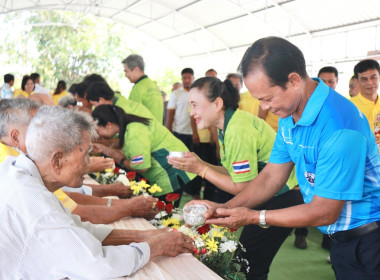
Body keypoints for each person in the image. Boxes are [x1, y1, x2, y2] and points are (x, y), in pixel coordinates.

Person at [188, 37, 380, 280]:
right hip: (341, 239)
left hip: (367, 240)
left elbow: (325, 212)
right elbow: (270, 176)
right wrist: (225, 208)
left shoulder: (339, 127)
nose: (265, 108)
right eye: (259, 100)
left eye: (268, 98)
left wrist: (254, 216)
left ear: (293, 80)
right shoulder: (289, 117)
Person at [0, 105, 194, 279]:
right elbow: (99, 266)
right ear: (57, 160)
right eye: (85, 154)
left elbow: (80, 228)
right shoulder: (36, 203)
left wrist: (146, 235)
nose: (89, 164)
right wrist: (156, 246)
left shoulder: (17, 172)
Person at [168, 77, 302, 280]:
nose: (191, 112)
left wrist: (201, 170)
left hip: (280, 198)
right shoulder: (231, 125)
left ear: (217, 103)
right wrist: (200, 165)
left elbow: (243, 187)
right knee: (246, 263)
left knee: (247, 266)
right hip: (271, 195)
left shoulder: (238, 130)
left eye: (195, 105)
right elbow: (234, 174)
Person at [0, 99, 159, 224]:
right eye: (37, 126)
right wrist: (126, 206)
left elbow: (65, 197)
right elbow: (74, 212)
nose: (44, 132)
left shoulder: (17, 156)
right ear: (15, 137)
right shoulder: (11, 160)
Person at [92, 104, 195, 204]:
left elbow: (141, 167)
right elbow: (124, 145)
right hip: (174, 167)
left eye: (97, 130)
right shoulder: (129, 126)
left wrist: (118, 157)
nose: (98, 135)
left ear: (108, 125)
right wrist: (103, 147)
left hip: (171, 172)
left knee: (164, 214)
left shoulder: (134, 132)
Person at [122, 54, 163, 122]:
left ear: (136, 69)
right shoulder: (153, 85)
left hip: (144, 131)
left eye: (126, 71)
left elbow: (132, 115)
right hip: (157, 130)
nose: (125, 75)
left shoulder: (138, 88)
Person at [350, 59, 380, 149]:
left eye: (373, 77)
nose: (369, 83)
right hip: (362, 159)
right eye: (364, 79)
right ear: (357, 81)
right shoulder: (349, 106)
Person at [167, 68, 194, 150]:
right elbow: (171, 114)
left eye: (189, 78)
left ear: (193, 78)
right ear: (181, 79)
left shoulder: (197, 92)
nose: (187, 80)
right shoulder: (176, 93)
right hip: (179, 132)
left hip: (194, 133)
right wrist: (169, 132)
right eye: (184, 78)